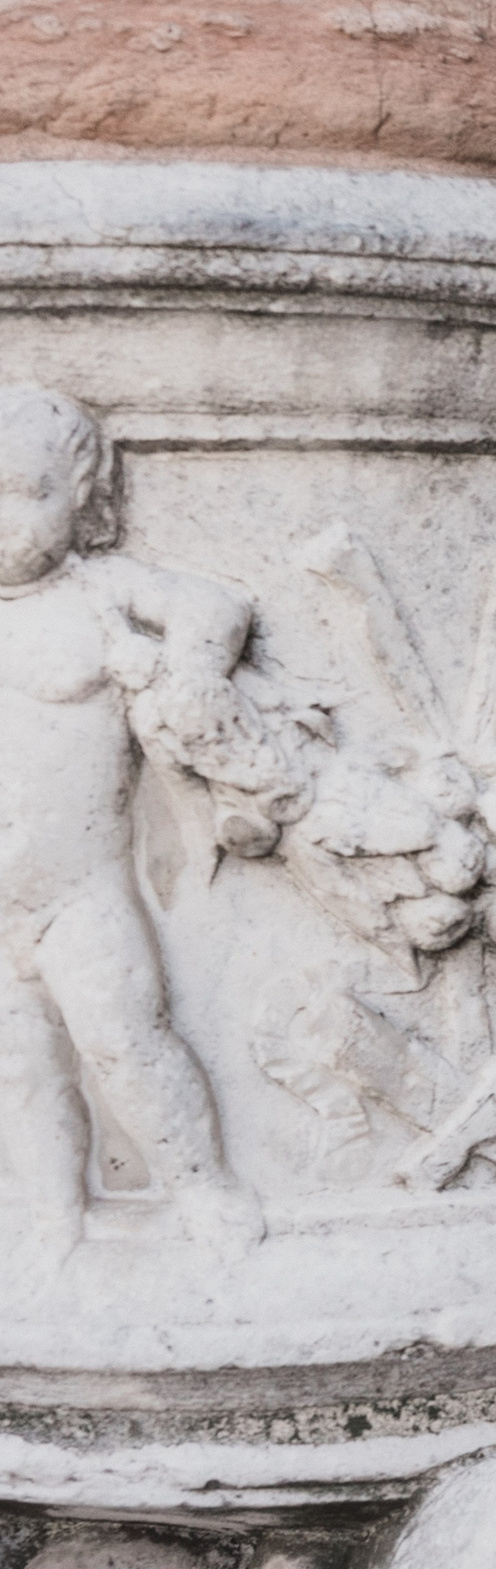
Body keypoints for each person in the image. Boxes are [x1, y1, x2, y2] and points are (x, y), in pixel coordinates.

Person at [0, 386, 276, 1260]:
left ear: (81, 502)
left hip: (78, 891)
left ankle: (201, 1187)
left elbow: (217, 609)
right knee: (21, 1069)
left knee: (123, 1039)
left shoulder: (99, 592)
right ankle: (53, 1220)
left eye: (23, 493)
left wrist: (182, 673)